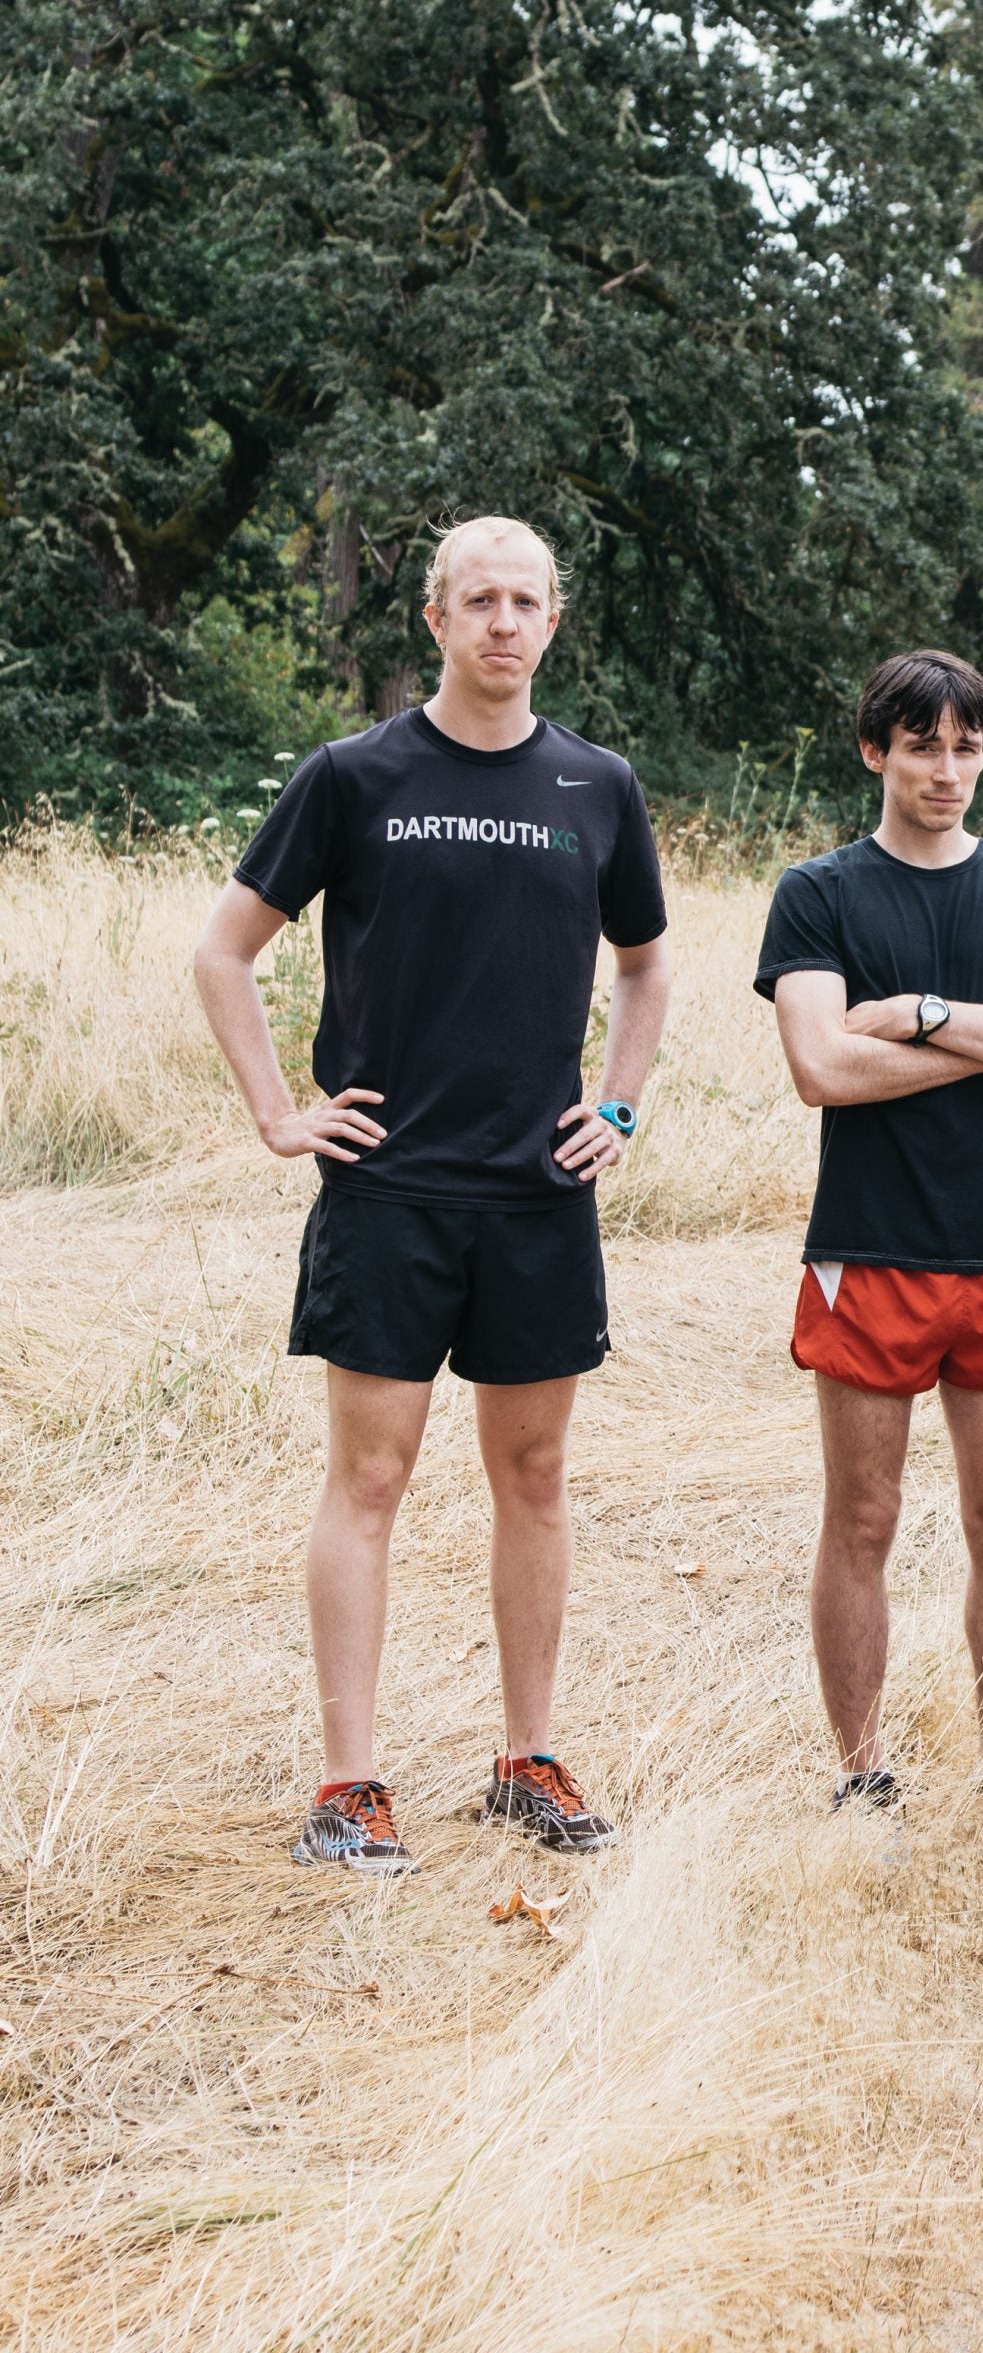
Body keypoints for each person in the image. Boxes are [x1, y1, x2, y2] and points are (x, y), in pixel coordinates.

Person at [195, 516, 671, 1876]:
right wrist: (281, 1113)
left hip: (536, 1194)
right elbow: (223, 954)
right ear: (436, 620)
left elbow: (646, 967)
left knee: (534, 1475)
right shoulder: (356, 775)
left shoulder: (598, 787)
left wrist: (619, 1106)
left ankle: (528, 1760)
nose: (503, 623)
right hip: (387, 1189)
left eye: (526, 601)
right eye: (479, 600)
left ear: (554, 622)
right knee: (372, 1476)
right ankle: (351, 1786)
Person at [757, 650, 983, 1862]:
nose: (946, 771)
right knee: (861, 1515)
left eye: (965, 747)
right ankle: (861, 1778)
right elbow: (821, 1070)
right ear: (876, 753)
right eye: (921, 747)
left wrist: (920, 1015)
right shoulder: (818, 893)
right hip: (871, 1246)